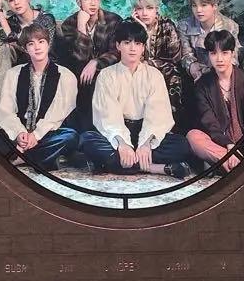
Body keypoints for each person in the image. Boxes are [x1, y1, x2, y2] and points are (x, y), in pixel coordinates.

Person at [79, 19, 194, 178]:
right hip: (117, 131)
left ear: (143, 47)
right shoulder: (107, 75)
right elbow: (108, 116)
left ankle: (114, 165)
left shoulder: (154, 75)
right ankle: (156, 168)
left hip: (145, 129)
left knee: (181, 146)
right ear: (118, 46)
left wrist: (146, 144)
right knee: (87, 140)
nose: (133, 48)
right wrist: (122, 144)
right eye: (127, 43)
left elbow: (158, 114)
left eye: (138, 44)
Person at [0, 23, 79, 172]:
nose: (37, 47)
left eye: (41, 42)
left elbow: (57, 114)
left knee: (70, 137)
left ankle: (21, 156)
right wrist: (20, 133)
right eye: (31, 44)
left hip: (47, 132)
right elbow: (6, 111)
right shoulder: (13, 74)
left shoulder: (65, 76)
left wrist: (36, 135)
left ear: (48, 44)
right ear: (25, 49)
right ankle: (39, 158)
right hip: (19, 132)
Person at [186, 30, 244, 173]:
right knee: (193, 136)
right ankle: (236, 164)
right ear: (209, 55)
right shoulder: (203, 85)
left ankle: (233, 165)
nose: (219, 59)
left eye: (224, 53)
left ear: (232, 53)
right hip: (222, 145)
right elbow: (209, 122)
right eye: (214, 53)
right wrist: (229, 145)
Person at [56, 0, 122, 130]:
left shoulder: (113, 20)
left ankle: (101, 129)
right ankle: (82, 131)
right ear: (78, 2)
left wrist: (96, 62)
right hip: (80, 74)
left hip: (108, 71)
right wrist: (81, 27)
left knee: (98, 80)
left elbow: (117, 52)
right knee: (80, 82)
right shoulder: (69, 24)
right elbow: (79, 58)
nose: (93, 3)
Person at [178, 0, 244, 81]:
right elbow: (186, 54)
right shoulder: (184, 26)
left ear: (214, 6)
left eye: (204, 5)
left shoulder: (230, 26)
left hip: (223, 72)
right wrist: (192, 65)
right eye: (194, 5)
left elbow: (233, 56)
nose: (198, 10)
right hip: (197, 73)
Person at [0, 0, 58, 83]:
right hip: (19, 67)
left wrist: (0, 15)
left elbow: (43, 51)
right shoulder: (11, 22)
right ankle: (5, 91)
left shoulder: (45, 19)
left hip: (46, 65)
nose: (16, 3)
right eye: (11, 0)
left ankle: (6, 90)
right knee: (6, 49)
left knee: (8, 48)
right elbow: (5, 38)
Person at [130, 0, 184, 114]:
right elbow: (129, 56)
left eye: (149, 8)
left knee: (174, 76)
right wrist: (141, 30)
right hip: (135, 68)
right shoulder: (128, 25)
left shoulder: (167, 25)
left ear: (157, 8)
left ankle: (171, 118)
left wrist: (149, 64)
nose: (144, 13)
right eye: (140, 8)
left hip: (164, 71)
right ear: (135, 10)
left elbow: (175, 58)